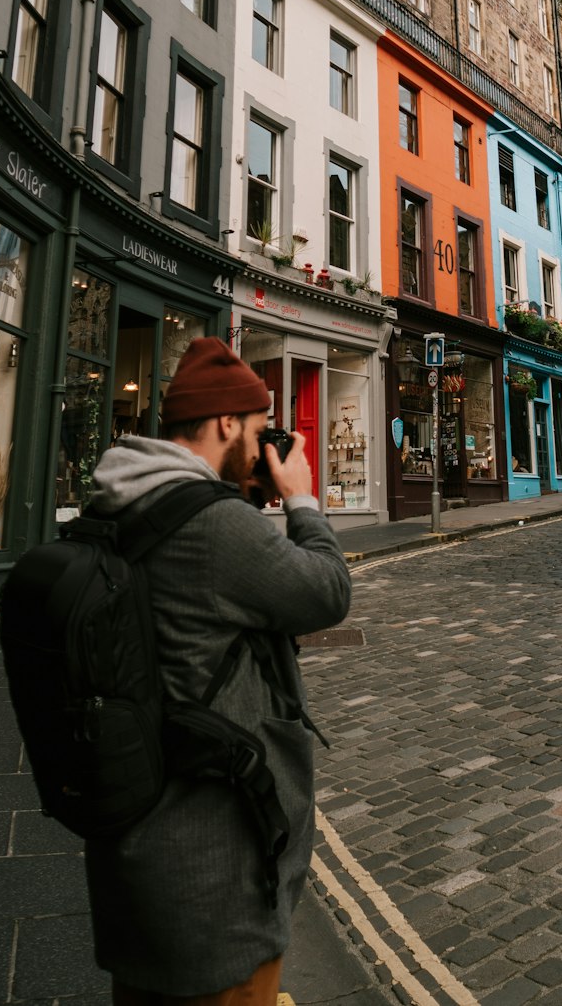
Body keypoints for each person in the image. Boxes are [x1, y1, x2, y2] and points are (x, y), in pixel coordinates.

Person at [82, 337, 352, 1006]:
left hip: (138, 859)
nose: (266, 446)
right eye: (261, 429)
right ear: (229, 423)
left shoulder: (122, 501)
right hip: (213, 888)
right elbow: (325, 592)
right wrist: (301, 500)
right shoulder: (212, 526)